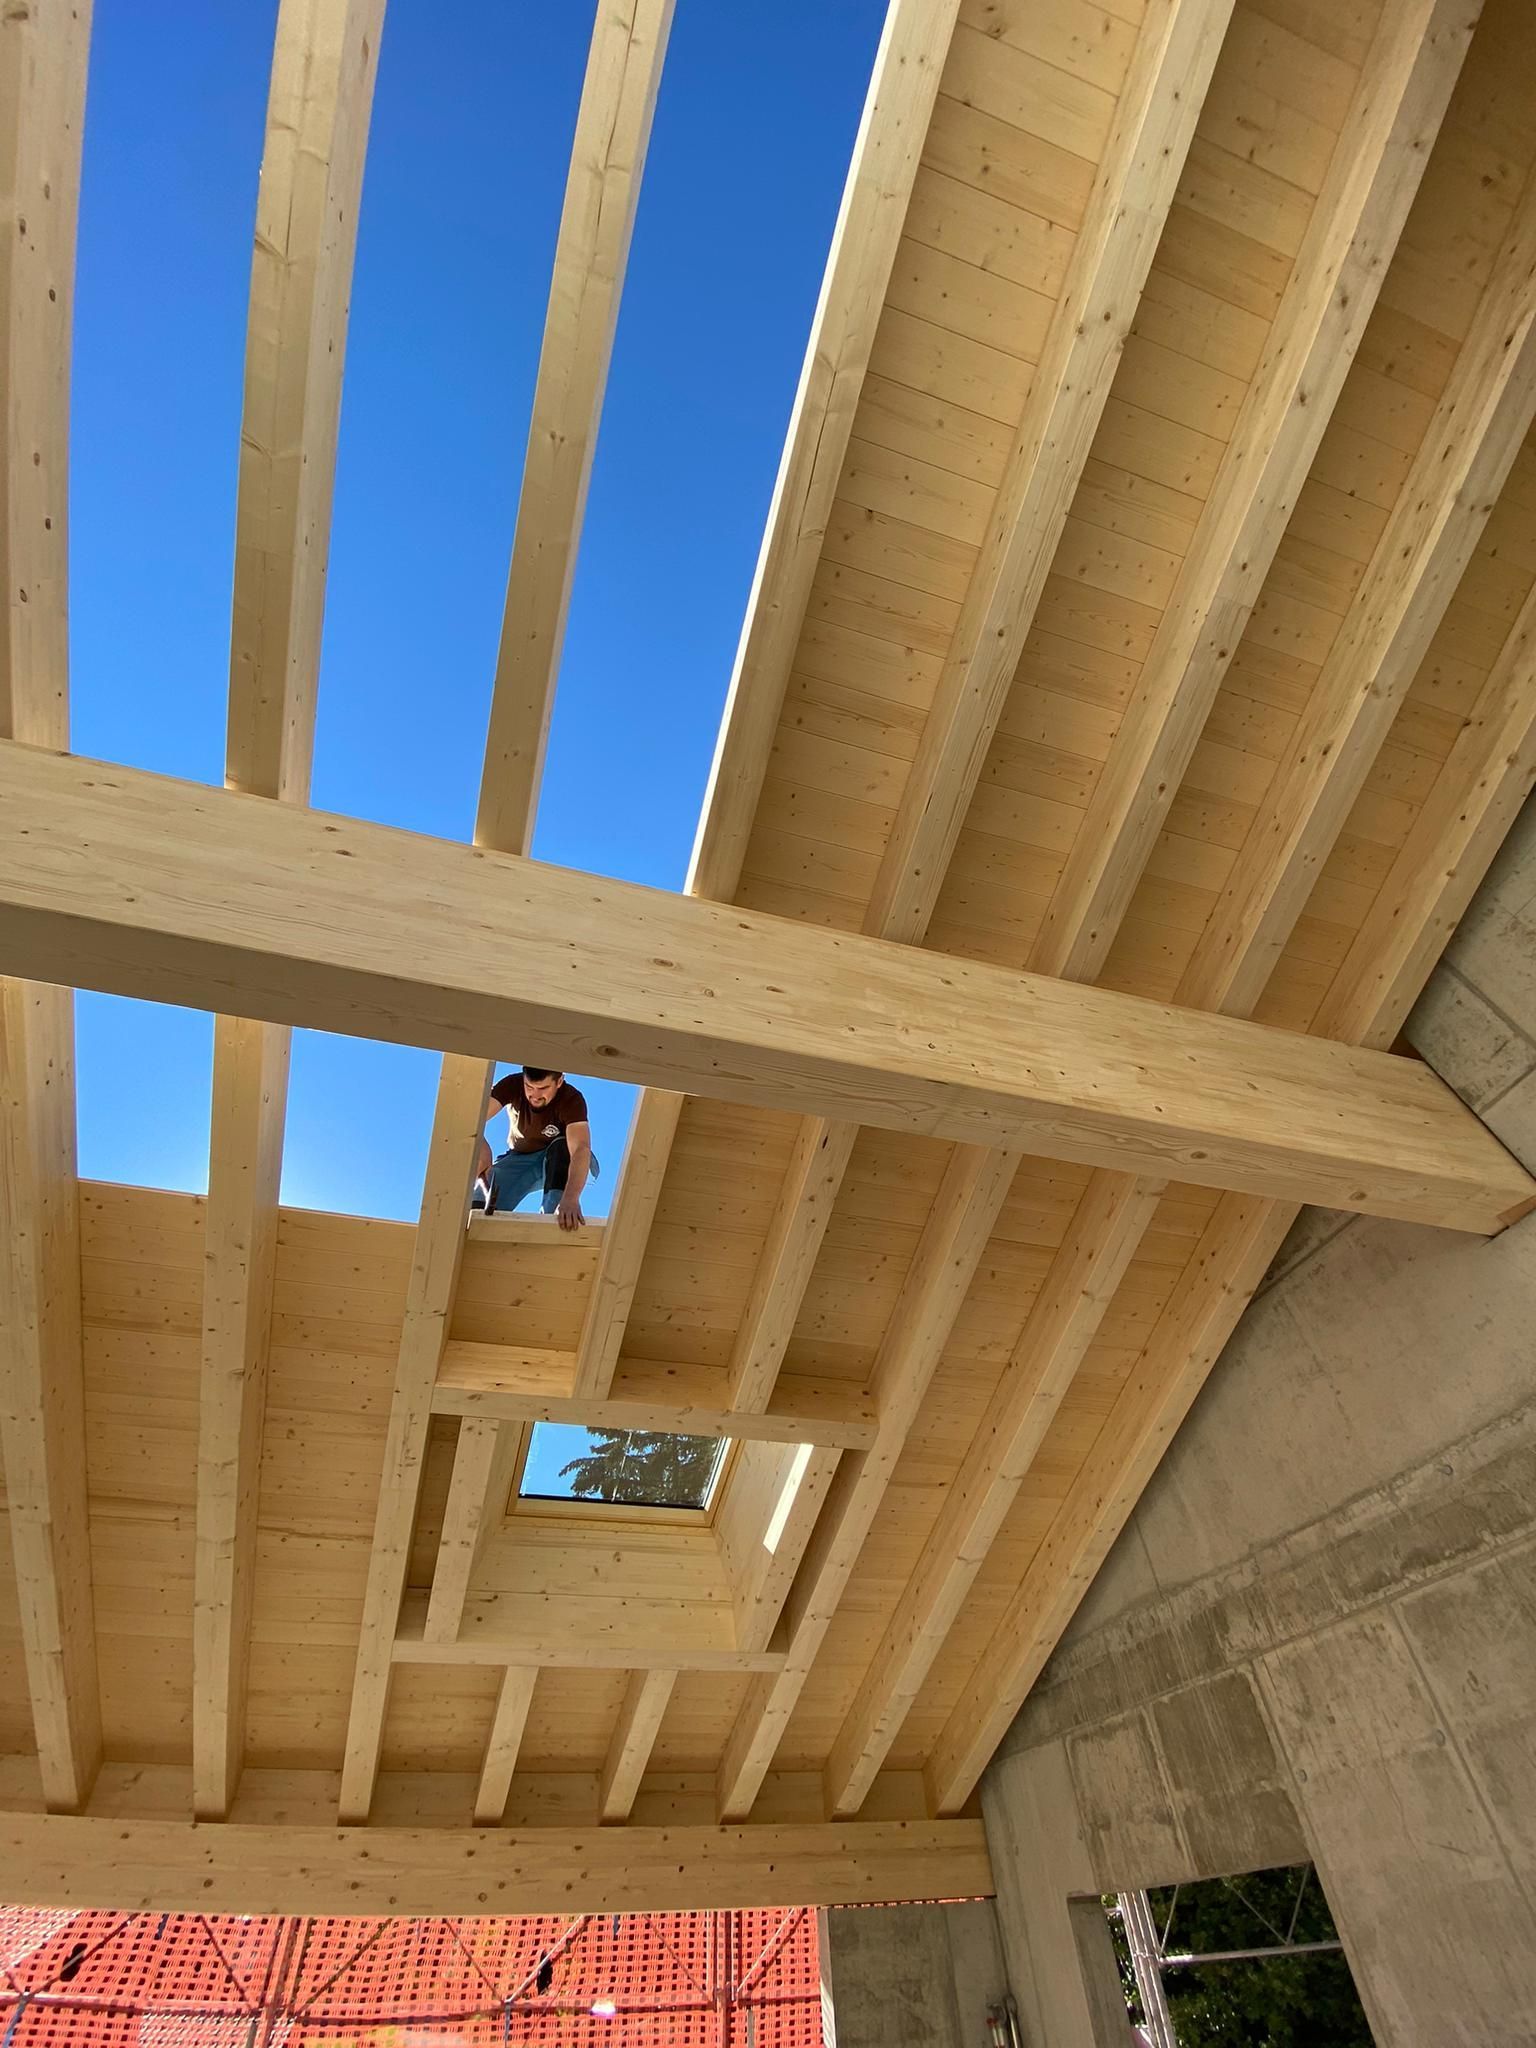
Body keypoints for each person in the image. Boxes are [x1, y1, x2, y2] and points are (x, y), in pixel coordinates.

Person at [475, 1066, 594, 1230]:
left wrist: (571, 1198)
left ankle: (556, 1216)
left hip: (558, 1160)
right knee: (477, 1205)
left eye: (543, 1088)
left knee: (562, 1147)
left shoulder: (571, 1099)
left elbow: (581, 1148)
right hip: (518, 1157)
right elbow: (470, 1119)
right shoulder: (512, 1084)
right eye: (529, 1087)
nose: (535, 1095)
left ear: (559, 1081)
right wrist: (481, 1147)